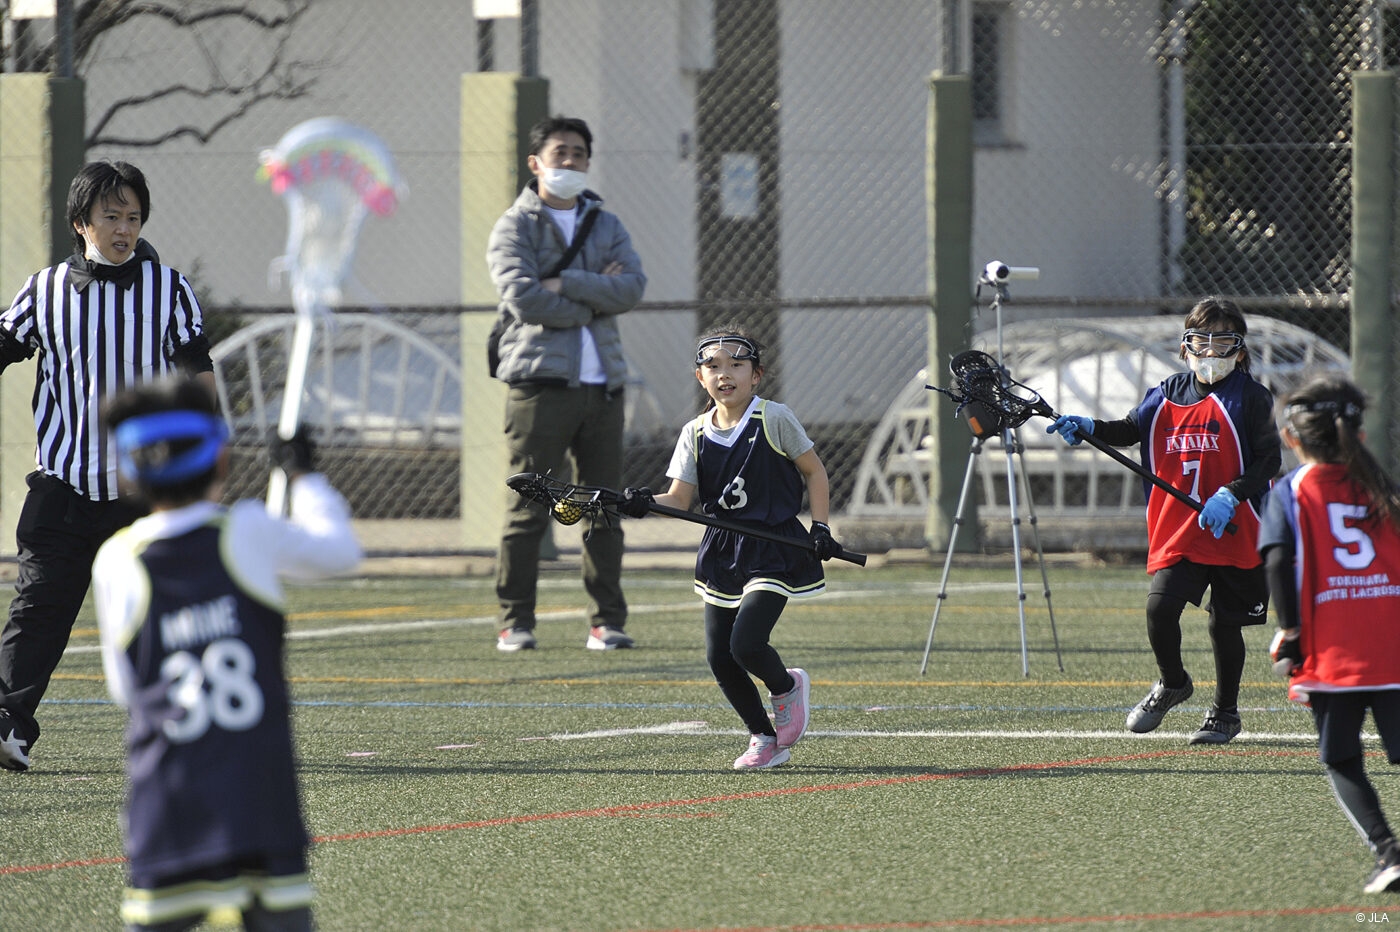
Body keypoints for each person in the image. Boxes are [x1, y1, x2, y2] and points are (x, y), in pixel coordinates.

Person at [92, 378, 362, 931]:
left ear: (130, 472)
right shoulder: (247, 530)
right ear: (221, 458)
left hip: (167, 804)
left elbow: (126, 690)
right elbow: (340, 552)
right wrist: (304, 475)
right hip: (259, 799)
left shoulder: (116, 558)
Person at [0, 160, 214, 772]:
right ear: (81, 222)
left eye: (133, 217)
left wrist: (199, 457)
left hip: (145, 493)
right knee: (37, 610)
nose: (123, 229)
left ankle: (192, 727)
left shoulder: (169, 289)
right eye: (111, 216)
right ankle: (8, 724)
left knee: (167, 612)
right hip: (63, 485)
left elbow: (198, 372)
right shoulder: (43, 290)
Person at [1047, 297, 1280, 744]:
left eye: (1222, 342)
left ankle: (1225, 713)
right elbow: (1129, 428)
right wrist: (1090, 426)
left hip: (1238, 527)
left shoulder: (1252, 398)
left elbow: (1269, 460)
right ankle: (1173, 682)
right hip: (1183, 530)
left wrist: (1231, 494)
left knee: (1224, 624)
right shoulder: (1167, 392)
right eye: (1201, 341)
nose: (1210, 352)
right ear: (1185, 346)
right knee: (1160, 608)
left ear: (1239, 350)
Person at [618, 326, 842, 770]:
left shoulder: (774, 418)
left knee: (747, 643)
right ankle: (763, 738)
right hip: (722, 551)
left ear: (756, 375)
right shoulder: (695, 432)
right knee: (719, 656)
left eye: (737, 365)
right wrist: (641, 503)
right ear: (700, 377)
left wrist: (820, 526)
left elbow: (814, 471)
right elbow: (678, 500)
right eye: (714, 366)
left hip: (772, 545)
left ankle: (786, 687)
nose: (725, 374)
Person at [487, 115, 647, 654]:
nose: (571, 161)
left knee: (603, 509)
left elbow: (631, 288)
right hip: (540, 383)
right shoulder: (515, 225)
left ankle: (606, 622)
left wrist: (568, 282)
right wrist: (593, 296)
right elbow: (523, 298)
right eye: (561, 152)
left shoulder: (606, 223)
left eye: (579, 153)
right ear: (536, 162)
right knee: (529, 508)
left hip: (604, 386)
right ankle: (515, 621)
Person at [1257, 375, 1400, 894]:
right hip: (1393, 644)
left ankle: (1389, 853)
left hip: (1334, 651)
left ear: (1291, 438)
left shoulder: (1291, 491)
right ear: (1358, 434)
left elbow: (1278, 563)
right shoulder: (1382, 486)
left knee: (1341, 758)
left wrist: (1290, 630)